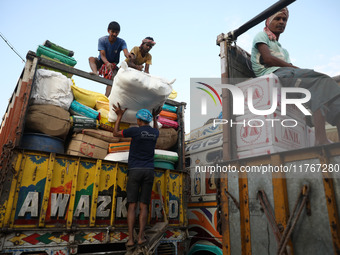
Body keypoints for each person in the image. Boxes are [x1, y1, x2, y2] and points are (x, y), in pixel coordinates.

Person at [251, 7, 340, 145]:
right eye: (278, 18)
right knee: (322, 80)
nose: (282, 22)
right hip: (273, 73)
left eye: (284, 19)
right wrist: (295, 68)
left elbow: (290, 67)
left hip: (287, 74)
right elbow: (268, 60)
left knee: (335, 101)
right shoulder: (261, 36)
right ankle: (320, 139)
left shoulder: (283, 50)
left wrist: (295, 69)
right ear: (268, 21)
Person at [112, 103, 161, 251]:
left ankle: (131, 239)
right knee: (144, 205)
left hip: (135, 170)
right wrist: (154, 117)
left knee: (132, 205)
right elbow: (156, 129)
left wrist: (119, 116)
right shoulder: (154, 133)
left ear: (139, 121)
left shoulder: (134, 131)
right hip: (148, 171)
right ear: (149, 121)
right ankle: (141, 237)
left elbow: (115, 133)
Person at [89, 21, 132, 97]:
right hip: (102, 62)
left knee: (112, 81)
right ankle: (95, 72)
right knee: (91, 59)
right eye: (113, 32)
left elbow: (126, 52)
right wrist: (107, 63)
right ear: (108, 31)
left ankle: (105, 97)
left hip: (112, 66)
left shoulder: (121, 42)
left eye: (116, 32)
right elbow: (102, 55)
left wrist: (128, 55)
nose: (114, 34)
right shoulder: (102, 40)